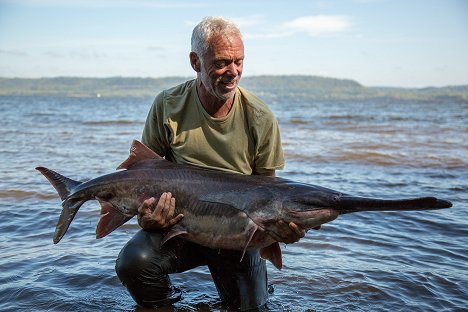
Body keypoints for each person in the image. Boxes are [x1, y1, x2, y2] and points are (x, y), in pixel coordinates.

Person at [115, 16, 306, 311]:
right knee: (133, 263)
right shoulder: (167, 105)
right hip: (180, 227)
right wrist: (147, 216)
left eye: (239, 61)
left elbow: (271, 195)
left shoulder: (260, 118)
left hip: (240, 237)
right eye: (221, 63)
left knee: (251, 308)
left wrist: (283, 230)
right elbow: (143, 176)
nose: (233, 72)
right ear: (195, 62)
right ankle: (169, 303)